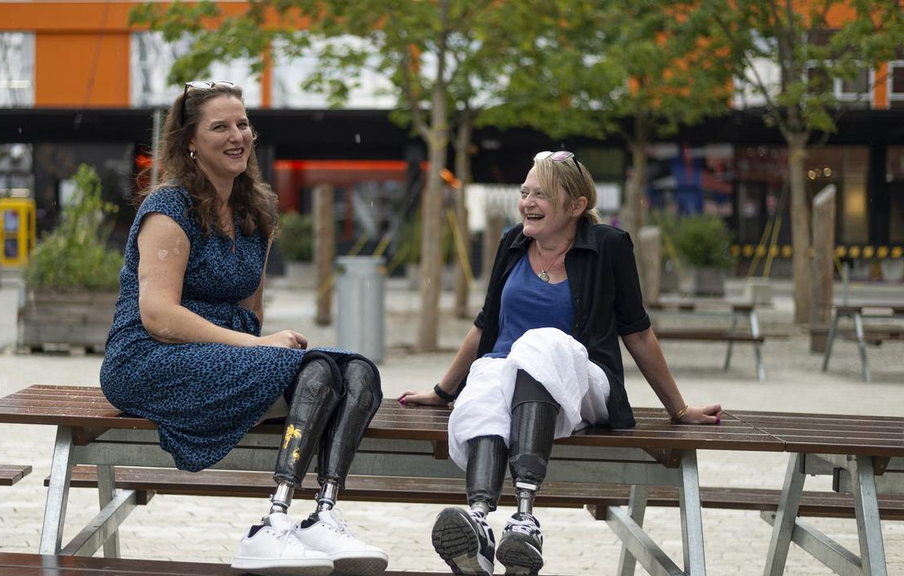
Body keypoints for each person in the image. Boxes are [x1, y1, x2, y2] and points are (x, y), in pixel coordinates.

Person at [100, 81, 388, 576]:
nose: (238, 136)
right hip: (146, 358)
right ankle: (270, 525)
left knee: (357, 371)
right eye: (220, 127)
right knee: (317, 368)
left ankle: (322, 514)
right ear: (190, 141)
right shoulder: (169, 208)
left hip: (222, 352)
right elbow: (159, 316)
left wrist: (259, 347)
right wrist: (258, 348)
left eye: (242, 124)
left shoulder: (257, 210)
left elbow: (250, 312)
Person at [398, 151, 722, 576]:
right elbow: (484, 327)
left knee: (541, 344)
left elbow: (638, 333)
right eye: (525, 192)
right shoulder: (513, 242)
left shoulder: (608, 246)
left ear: (576, 206)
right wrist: (442, 392)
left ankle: (527, 520)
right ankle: (478, 523)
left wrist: (678, 410)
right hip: (512, 375)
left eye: (541, 195)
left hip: (583, 380)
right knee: (485, 383)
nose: (527, 202)